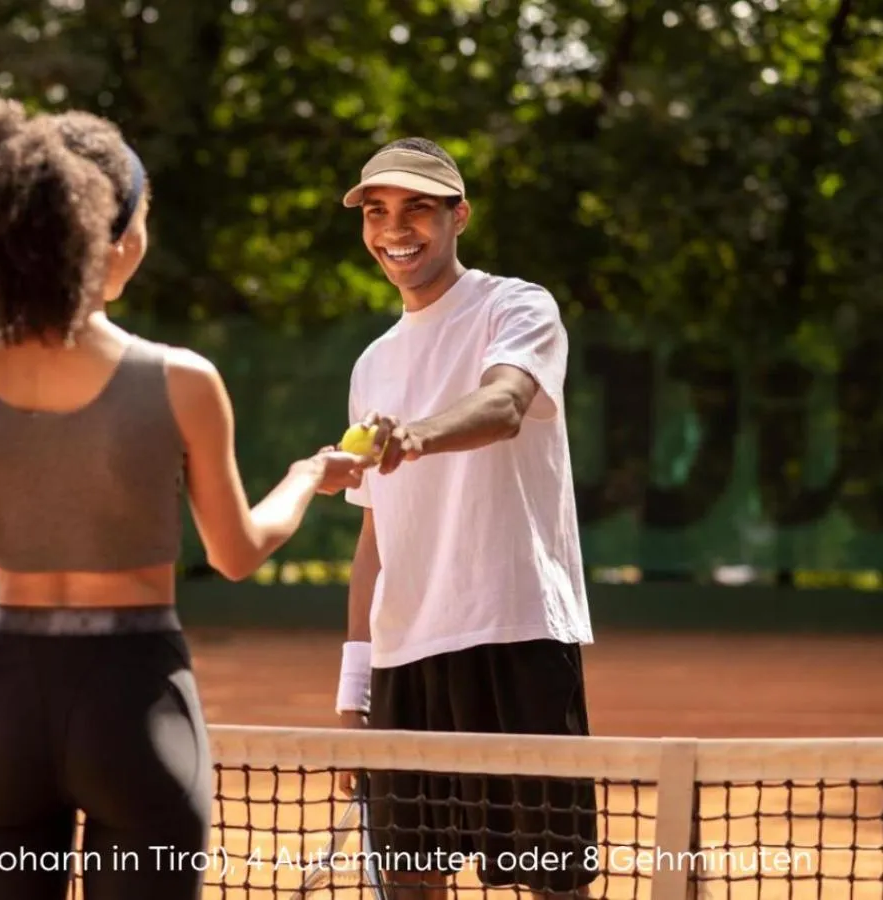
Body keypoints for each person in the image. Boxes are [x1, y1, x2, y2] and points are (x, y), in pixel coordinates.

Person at [0, 94, 372, 900]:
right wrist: (307, 475)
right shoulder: (184, 381)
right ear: (119, 239)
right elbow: (234, 552)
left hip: (5, 717)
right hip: (138, 705)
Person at [331, 138, 599, 899]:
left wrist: (410, 437)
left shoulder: (515, 306)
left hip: (514, 631)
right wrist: (353, 695)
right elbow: (374, 542)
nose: (394, 228)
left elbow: (506, 404)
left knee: (551, 882)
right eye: (377, 211)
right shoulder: (371, 363)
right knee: (411, 883)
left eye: (417, 207)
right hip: (403, 660)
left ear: (458, 216)